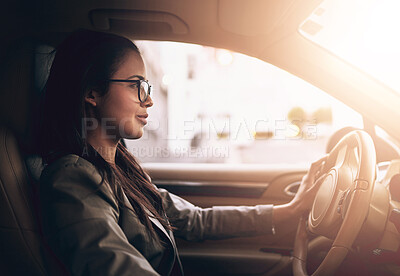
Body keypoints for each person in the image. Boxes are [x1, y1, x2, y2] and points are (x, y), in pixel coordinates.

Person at [38, 29, 326, 276]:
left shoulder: (122, 171)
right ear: (92, 93)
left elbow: (196, 220)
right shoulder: (72, 177)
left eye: (147, 87)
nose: (149, 100)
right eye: (137, 86)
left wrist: (289, 212)